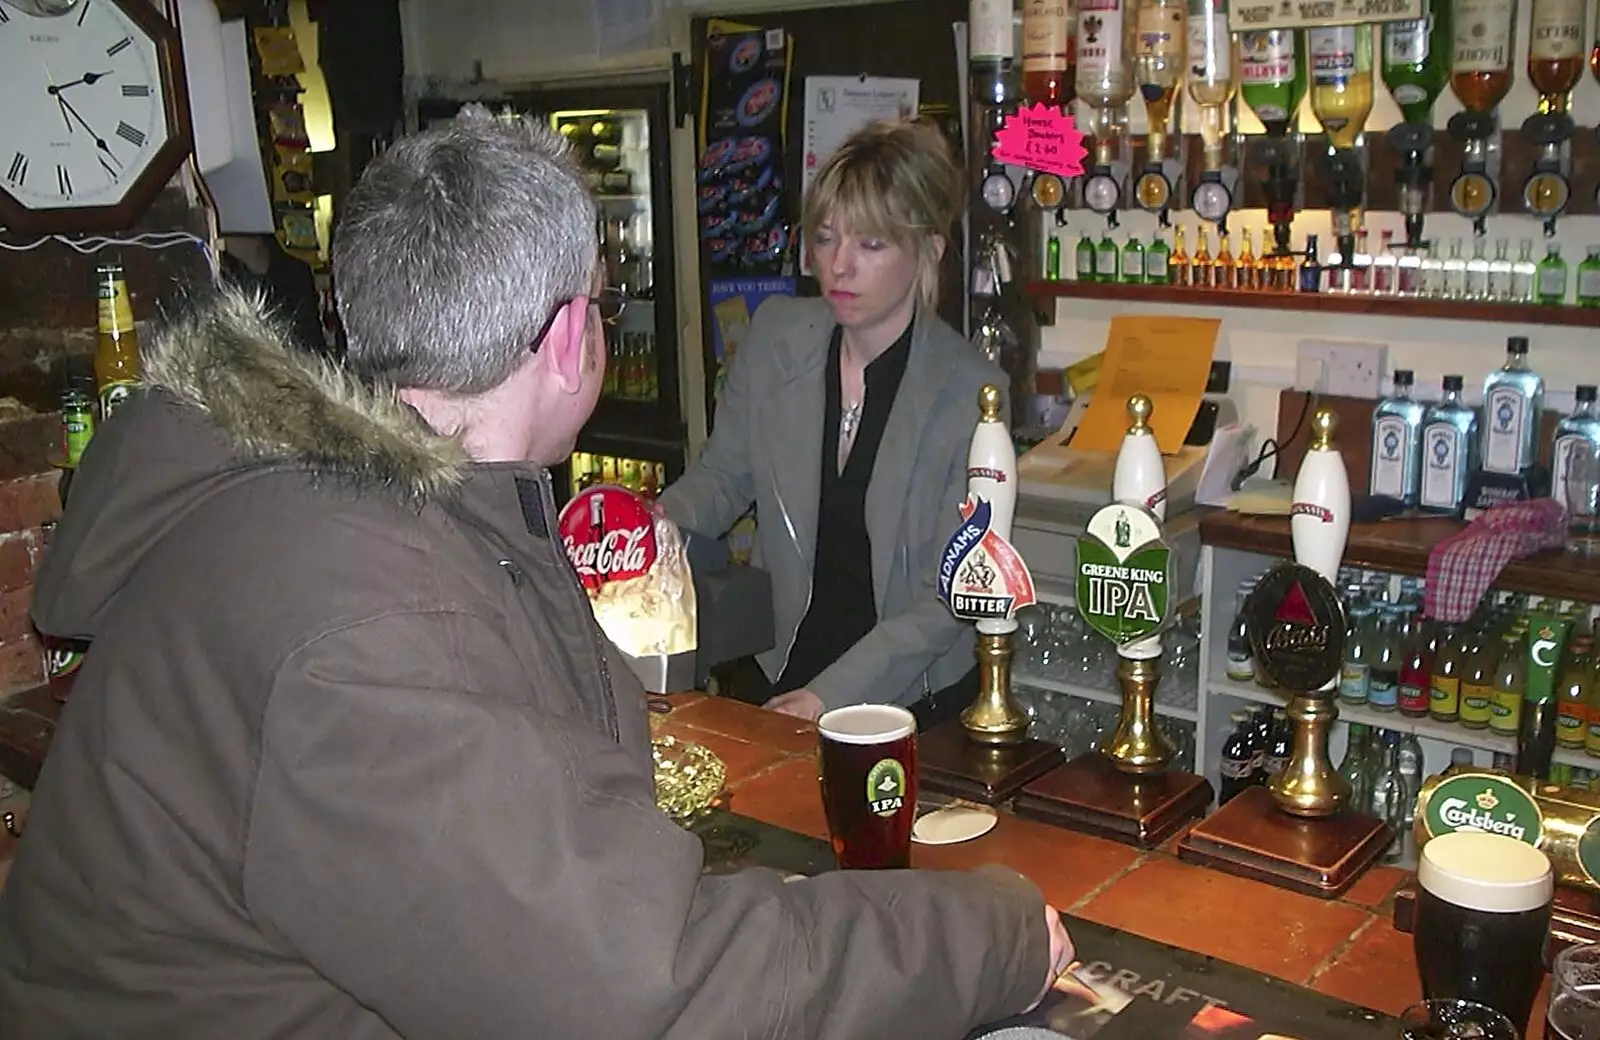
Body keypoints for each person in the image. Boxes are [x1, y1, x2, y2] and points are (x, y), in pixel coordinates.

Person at [0, 110, 1072, 1038]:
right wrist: (997, 930)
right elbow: (653, 995)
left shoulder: (335, 504)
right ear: (570, 337)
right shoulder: (371, 615)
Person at [661, 119, 999, 725]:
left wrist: (828, 699)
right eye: (824, 238)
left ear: (929, 250)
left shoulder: (972, 394)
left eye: (870, 244)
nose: (839, 265)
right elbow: (723, 477)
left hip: (908, 698)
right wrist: (650, 529)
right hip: (780, 667)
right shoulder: (775, 338)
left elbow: (949, 599)